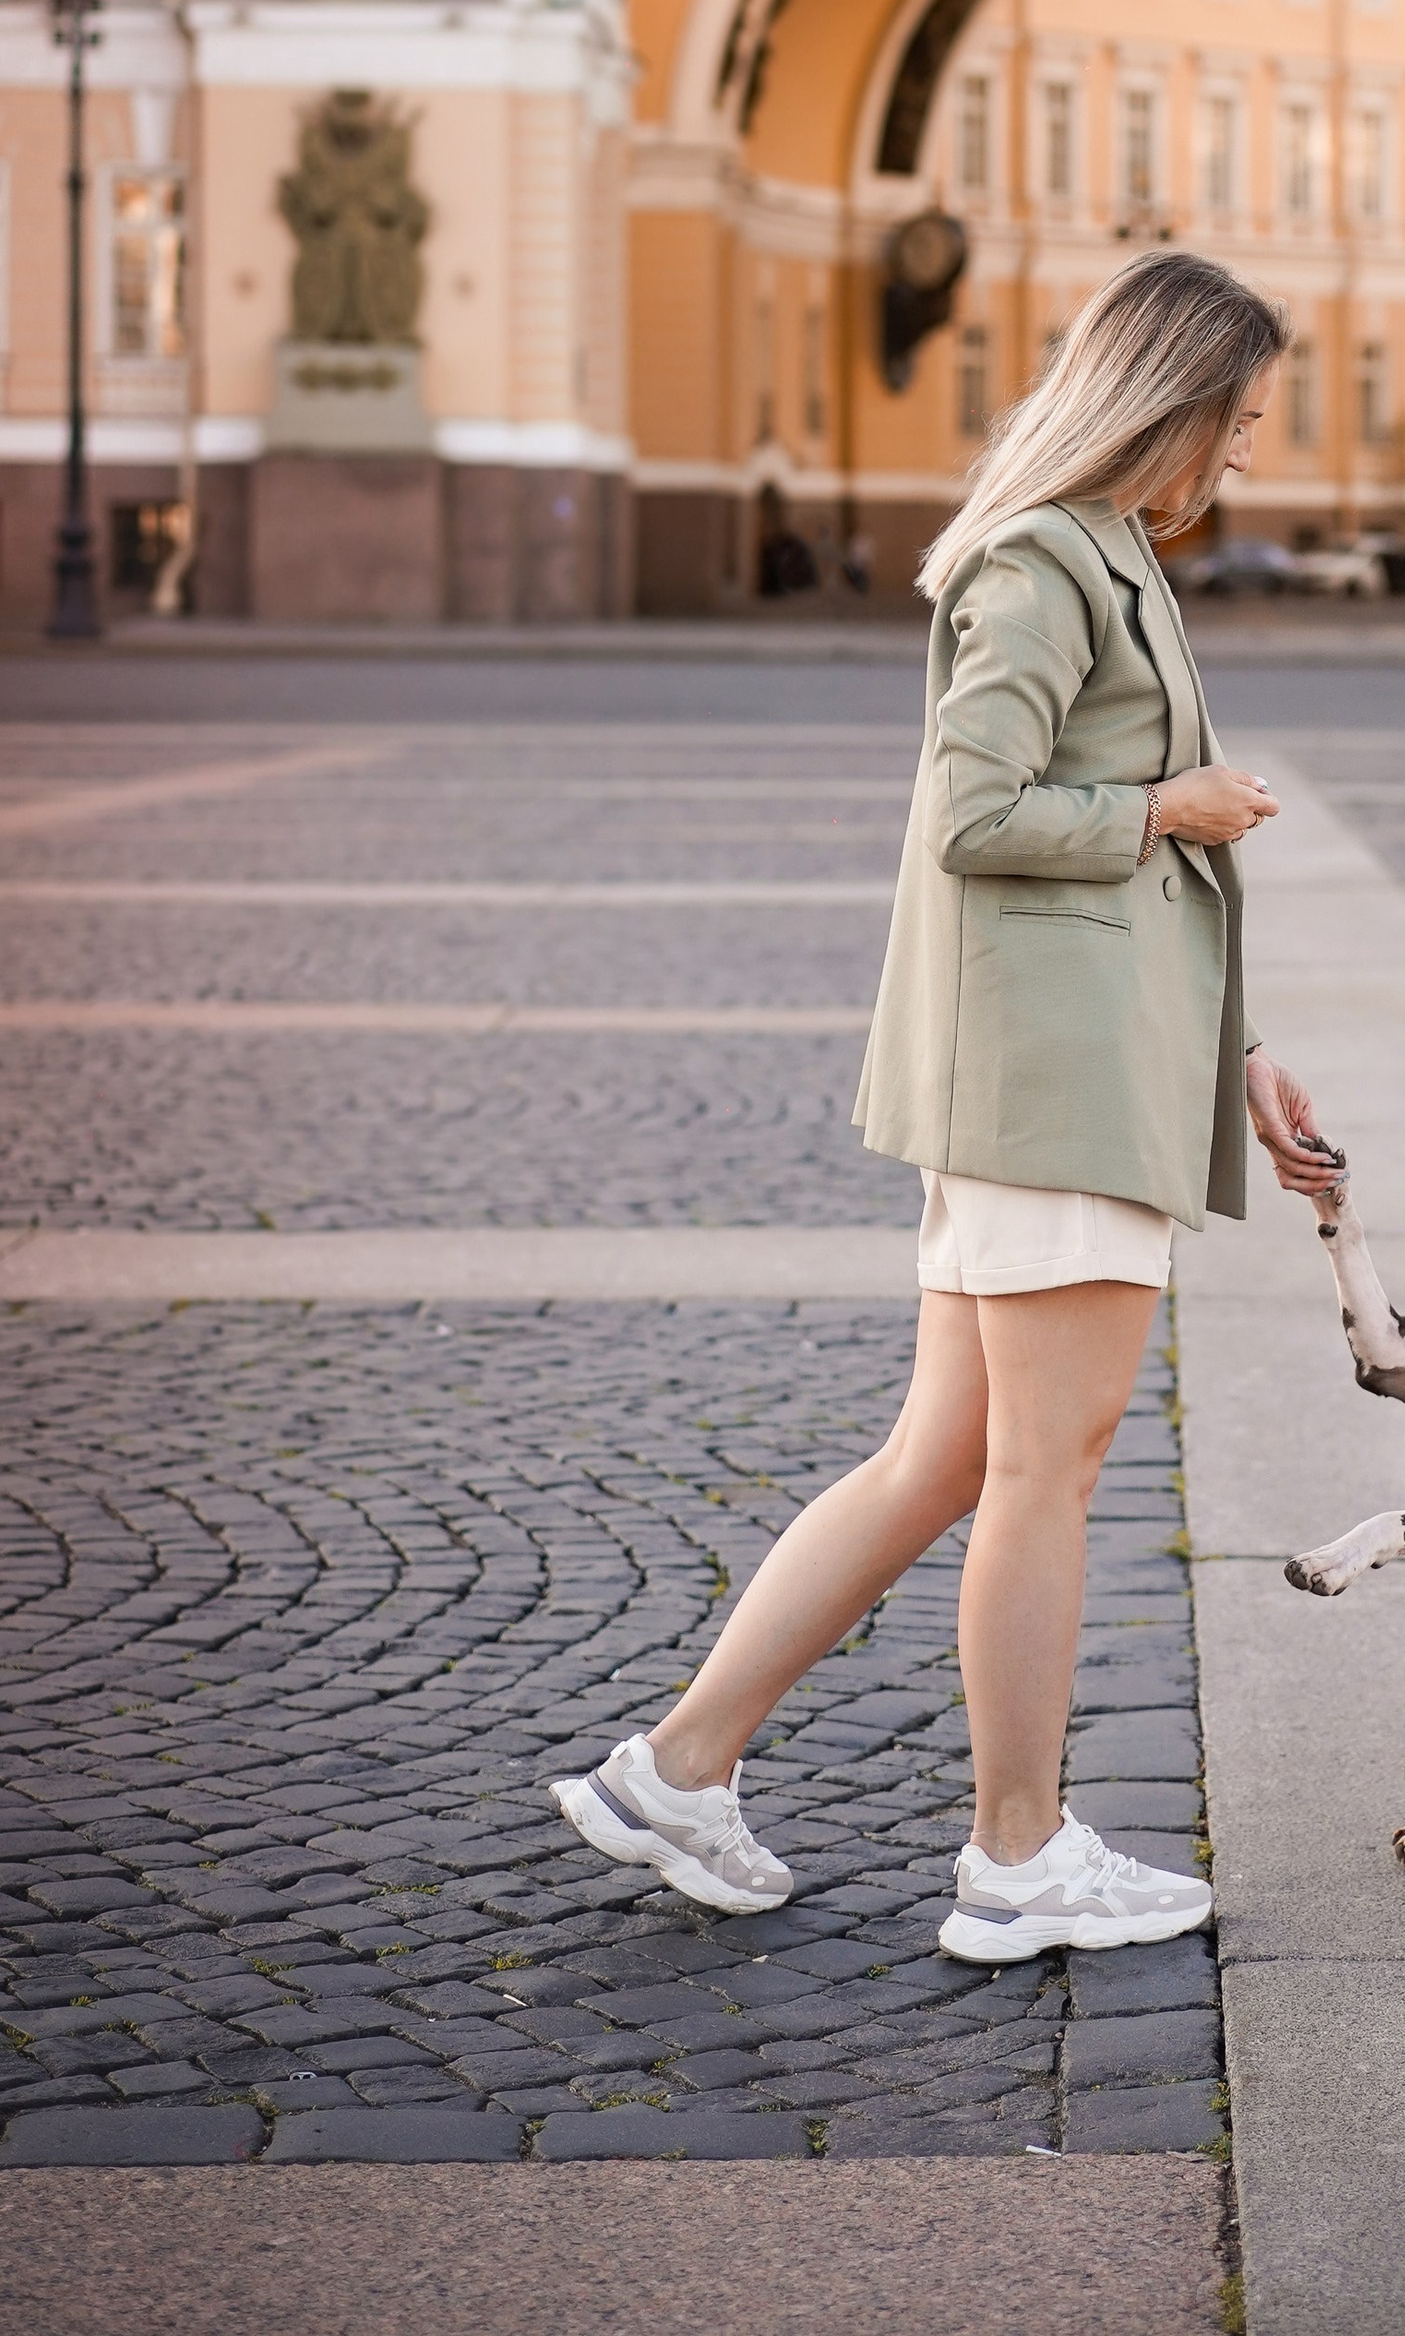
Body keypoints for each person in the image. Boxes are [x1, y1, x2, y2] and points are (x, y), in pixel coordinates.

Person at [552, 252, 1341, 1957]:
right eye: (1242, 421)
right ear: (1171, 398)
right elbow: (976, 812)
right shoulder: (1045, 560)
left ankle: (679, 1770)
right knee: (1048, 1469)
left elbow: (1103, 851)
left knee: (945, 1461)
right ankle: (1015, 1853)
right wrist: (1169, 805)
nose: (1246, 457)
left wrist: (1244, 1050)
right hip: (1051, 1090)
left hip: (1064, 1065)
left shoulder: (1101, 549)